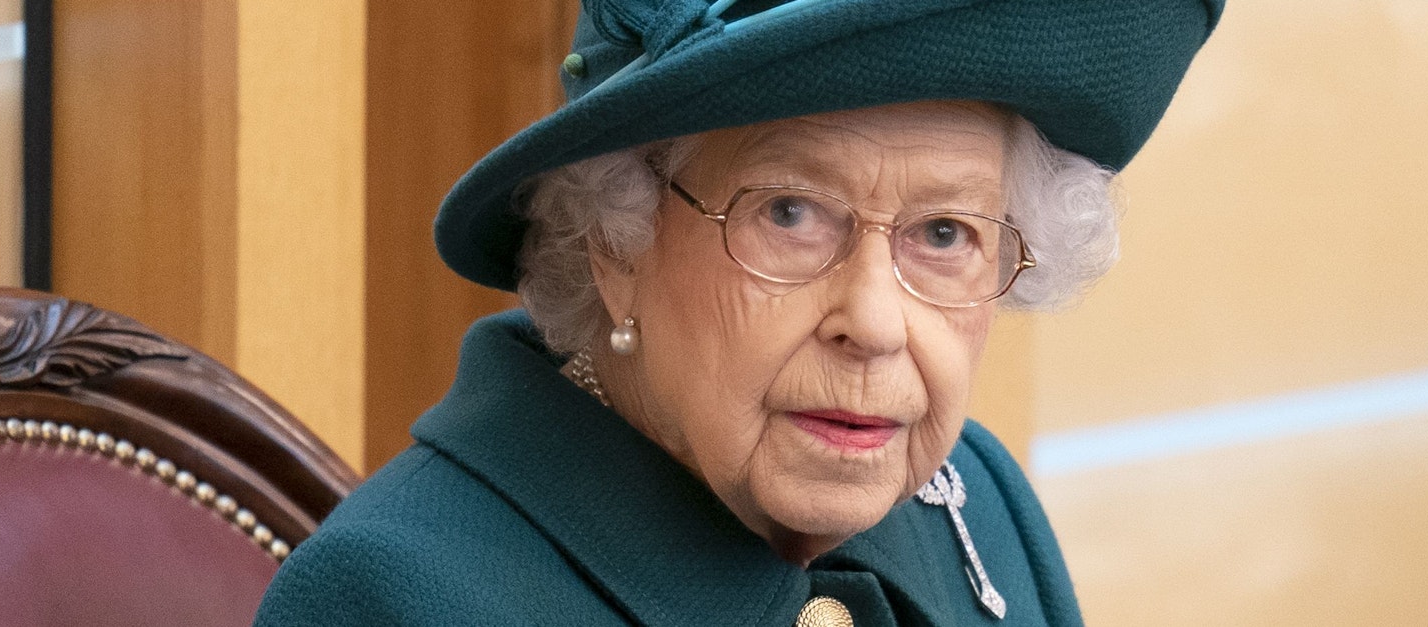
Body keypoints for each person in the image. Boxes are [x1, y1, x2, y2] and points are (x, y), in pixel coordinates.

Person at [258, 0, 1220, 624]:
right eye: (790, 214)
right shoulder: (395, 599)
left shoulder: (980, 507)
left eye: (944, 233)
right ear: (617, 242)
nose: (876, 323)